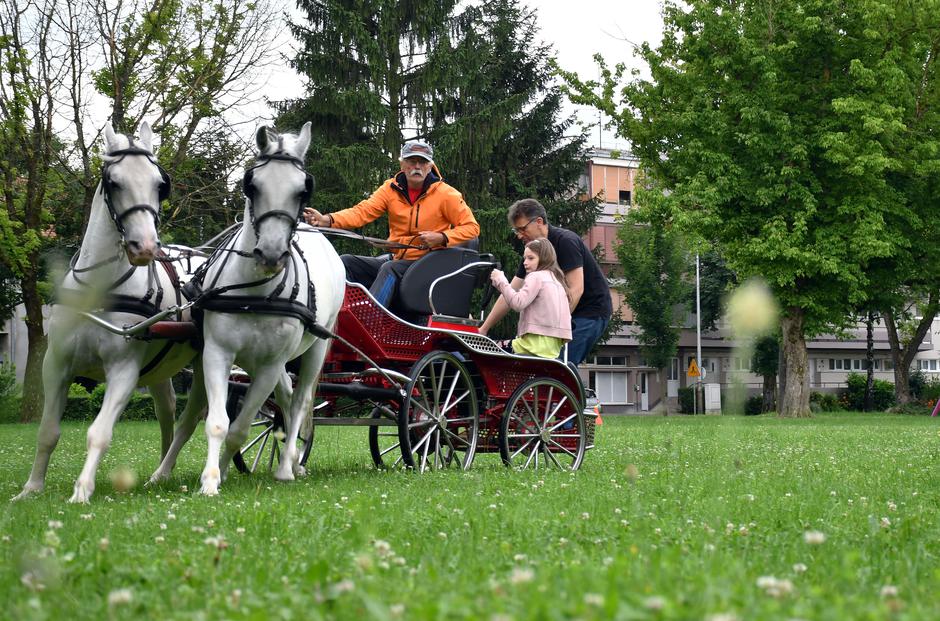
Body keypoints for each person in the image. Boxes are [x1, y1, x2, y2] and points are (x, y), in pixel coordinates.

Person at [303, 140, 479, 306]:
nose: (417, 166)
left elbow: (472, 228)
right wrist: (327, 220)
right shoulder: (390, 189)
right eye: (411, 161)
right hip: (399, 259)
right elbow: (362, 212)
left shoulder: (446, 194)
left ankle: (370, 319)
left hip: (428, 264)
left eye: (422, 162)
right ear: (402, 164)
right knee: (346, 262)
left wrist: (442, 237)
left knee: (390, 269)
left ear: (430, 166)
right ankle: (337, 313)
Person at [480, 198, 612, 365]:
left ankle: (567, 390)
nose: (519, 235)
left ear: (539, 222)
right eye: (516, 231)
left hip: (590, 312)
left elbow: (576, 289)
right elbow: (511, 292)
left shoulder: (566, 241)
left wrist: (553, 327)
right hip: (563, 316)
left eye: (522, 229)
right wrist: (484, 328)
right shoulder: (533, 253)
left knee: (559, 365)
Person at [489, 238, 572, 358]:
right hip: (552, 350)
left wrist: (500, 281)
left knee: (490, 348)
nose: (525, 262)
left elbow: (517, 303)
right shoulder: (558, 282)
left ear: (544, 258)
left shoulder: (536, 277)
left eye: (531, 258)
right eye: (524, 258)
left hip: (531, 346)